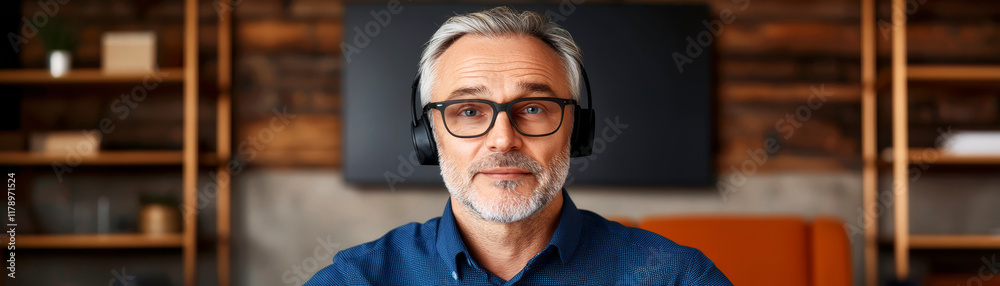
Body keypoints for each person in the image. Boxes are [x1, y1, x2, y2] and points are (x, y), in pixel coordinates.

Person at [307, 6, 732, 285]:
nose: (503, 138)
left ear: (576, 130)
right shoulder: (359, 278)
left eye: (533, 108)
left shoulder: (677, 277)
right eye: (469, 111)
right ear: (429, 135)